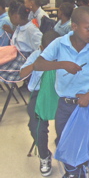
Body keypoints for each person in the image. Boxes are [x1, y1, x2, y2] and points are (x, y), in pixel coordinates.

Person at [33, 6, 89, 178]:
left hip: (88, 104)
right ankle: (74, 172)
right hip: (65, 105)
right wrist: (62, 64)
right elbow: (38, 64)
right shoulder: (59, 44)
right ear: (74, 26)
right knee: (66, 142)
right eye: (88, 28)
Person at [21, 30, 60, 177]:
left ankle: (71, 154)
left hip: (60, 93)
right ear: (42, 48)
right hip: (39, 93)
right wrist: (35, 65)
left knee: (72, 116)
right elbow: (21, 73)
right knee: (35, 123)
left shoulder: (64, 55)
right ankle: (44, 155)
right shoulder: (36, 55)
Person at [0, 0, 42, 82]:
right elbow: (22, 40)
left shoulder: (31, 30)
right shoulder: (20, 27)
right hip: (16, 57)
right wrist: (11, 32)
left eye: (10, 17)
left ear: (16, 16)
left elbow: (42, 46)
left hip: (22, 62)